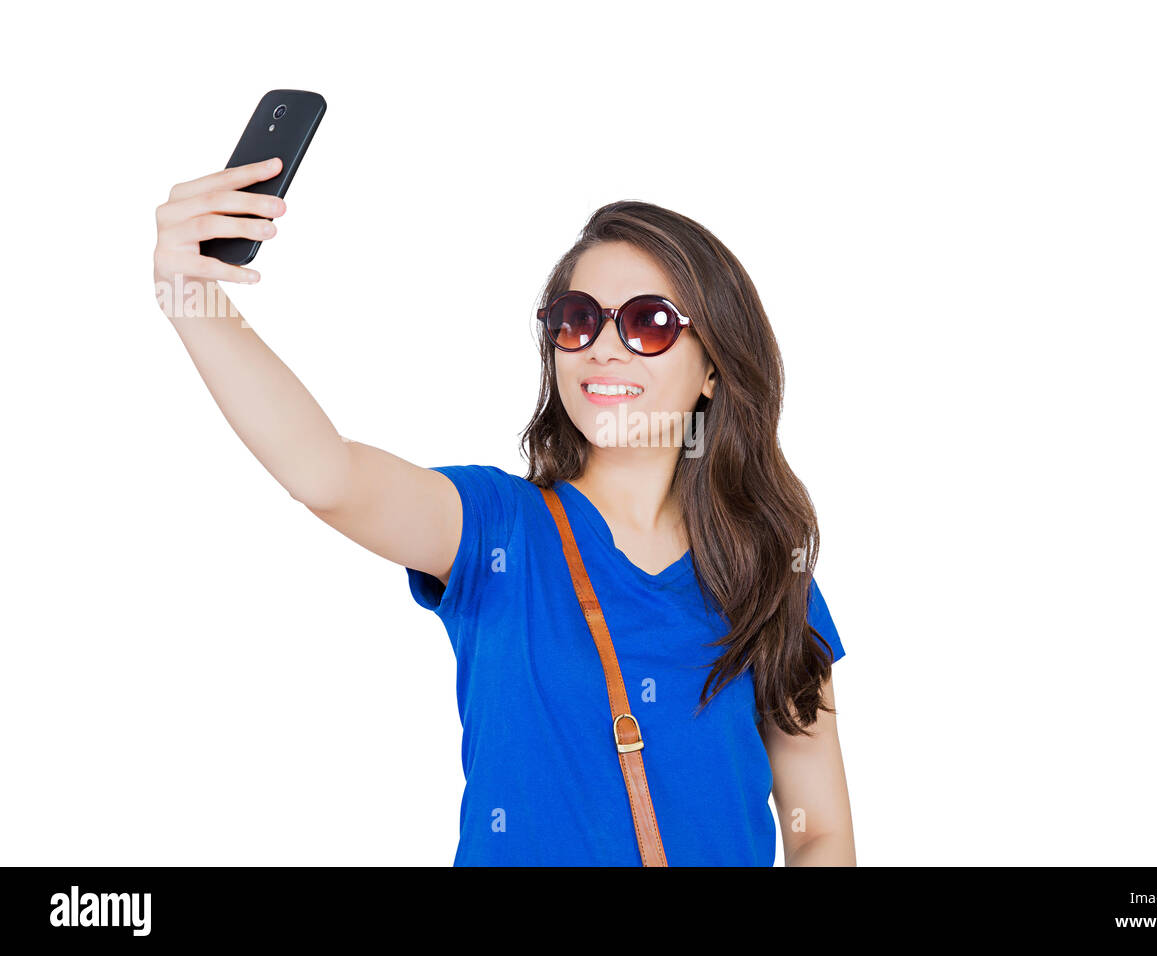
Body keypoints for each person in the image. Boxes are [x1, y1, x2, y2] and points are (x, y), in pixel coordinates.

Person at [152, 157, 855, 866]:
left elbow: (819, 830)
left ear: (713, 368)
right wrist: (192, 298)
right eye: (579, 321)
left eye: (648, 323)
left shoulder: (766, 573)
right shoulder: (500, 529)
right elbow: (327, 474)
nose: (604, 349)